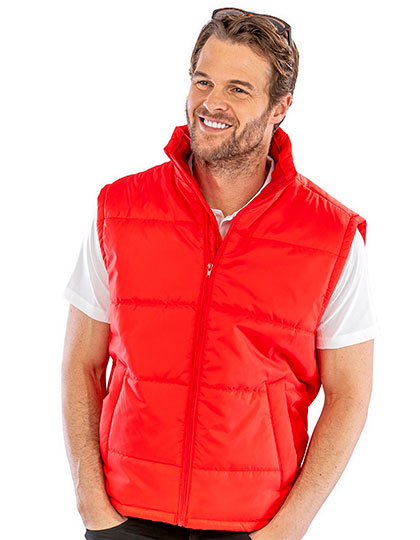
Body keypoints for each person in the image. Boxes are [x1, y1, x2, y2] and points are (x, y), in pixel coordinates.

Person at [62, 7, 379, 540]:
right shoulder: (120, 209)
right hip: (124, 518)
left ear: (281, 106)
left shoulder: (332, 236)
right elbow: (81, 363)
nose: (211, 103)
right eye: (203, 81)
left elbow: (350, 394)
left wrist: (288, 529)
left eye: (238, 89)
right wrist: (91, 503)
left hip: (253, 526)